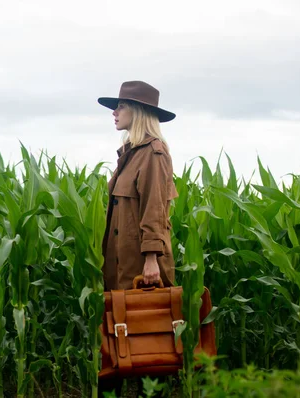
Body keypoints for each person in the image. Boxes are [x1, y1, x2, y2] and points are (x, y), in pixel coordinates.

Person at [97, 81, 179, 396]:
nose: (114, 112)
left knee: (152, 342)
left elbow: (155, 209)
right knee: (114, 346)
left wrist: (150, 260)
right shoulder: (129, 154)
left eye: (121, 106)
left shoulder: (154, 154)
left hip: (142, 266)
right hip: (118, 264)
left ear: (139, 111)